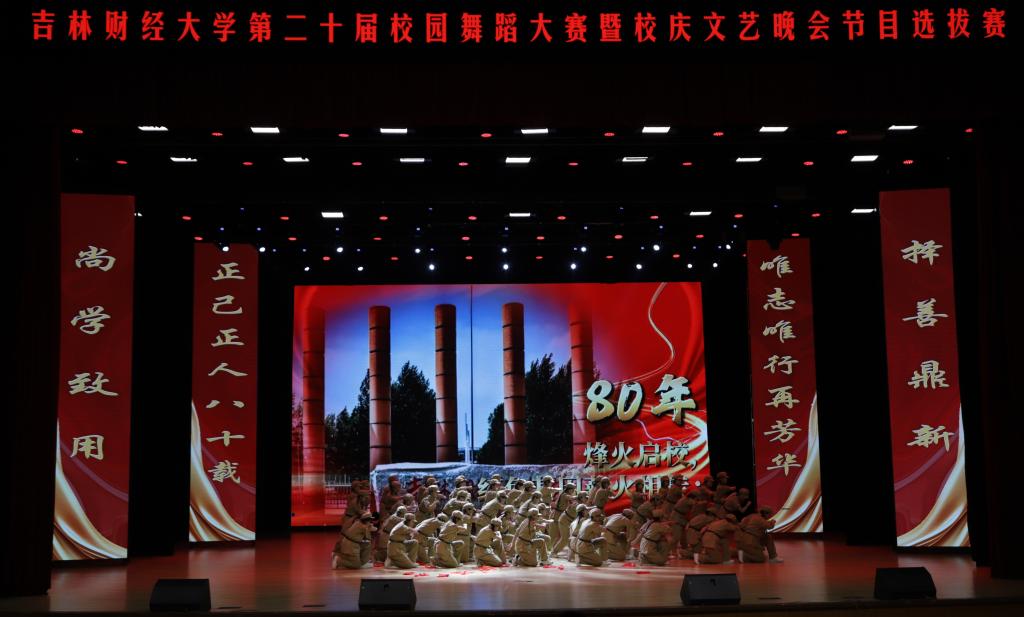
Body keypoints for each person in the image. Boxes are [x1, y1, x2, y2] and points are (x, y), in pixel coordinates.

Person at [549, 482, 577, 554]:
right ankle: (549, 551)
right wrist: (580, 496)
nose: (574, 491)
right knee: (554, 535)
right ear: (569, 489)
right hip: (556, 516)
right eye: (573, 489)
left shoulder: (566, 494)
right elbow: (571, 498)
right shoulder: (565, 495)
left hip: (560, 515)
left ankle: (554, 550)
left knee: (559, 535)